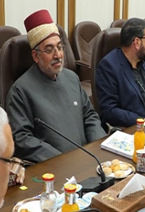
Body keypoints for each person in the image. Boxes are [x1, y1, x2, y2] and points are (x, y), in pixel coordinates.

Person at [6, 9, 105, 163]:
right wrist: (60, 160)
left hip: (89, 159)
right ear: (35, 56)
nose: (58, 55)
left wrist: (98, 146)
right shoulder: (20, 91)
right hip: (54, 167)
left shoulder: (72, 78)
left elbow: (90, 116)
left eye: (59, 47)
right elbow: (22, 139)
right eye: (49, 50)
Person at [96, 17, 145, 128]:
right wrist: (142, 122)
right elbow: (109, 110)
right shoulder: (109, 67)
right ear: (137, 42)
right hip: (133, 128)